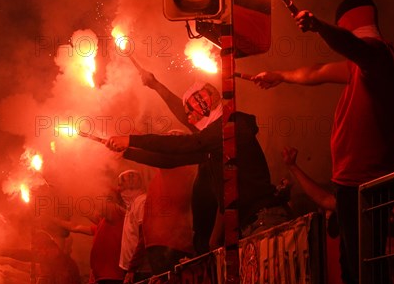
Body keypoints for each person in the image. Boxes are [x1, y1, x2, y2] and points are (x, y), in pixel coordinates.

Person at [252, 0, 394, 284]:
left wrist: (319, 27)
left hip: (367, 184)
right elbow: (318, 72)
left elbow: (352, 45)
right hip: (352, 185)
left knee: (366, 269)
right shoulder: (362, 66)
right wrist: (280, 75)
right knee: (354, 268)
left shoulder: (381, 57)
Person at [106, 72, 288, 254]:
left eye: (190, 112)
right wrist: (128, 152)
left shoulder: (226, 129)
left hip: (263, 219)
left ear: (204, 108)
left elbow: (181, 145)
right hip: (250, 224)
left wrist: (131, 140)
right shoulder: (214, 143)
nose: (189, 119)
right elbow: (170, 159)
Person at [120, 130, 198, 281]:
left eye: (172, 138)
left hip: (173, 245)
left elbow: (158, 154)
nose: (166, 141)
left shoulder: (178, 166)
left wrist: (128, 146)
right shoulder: (163, 172)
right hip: (159, 246)